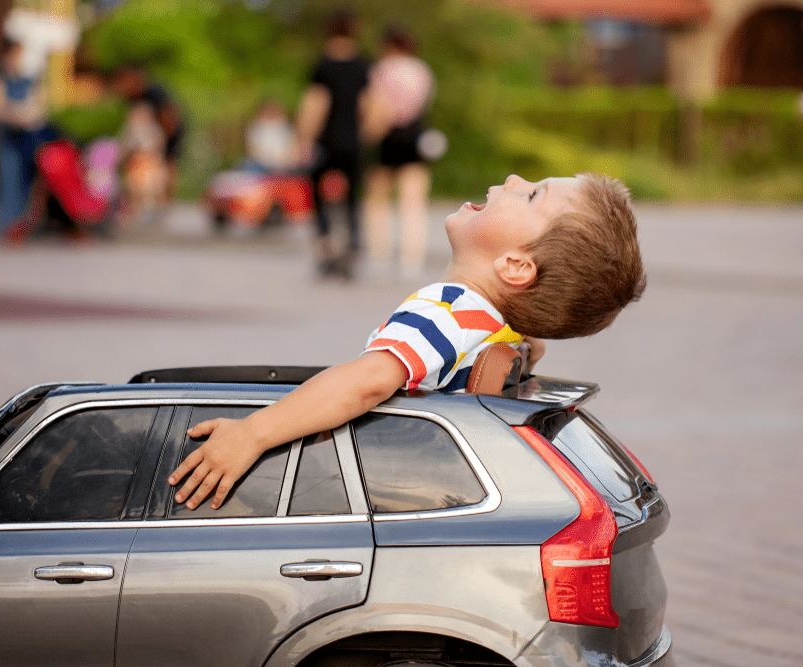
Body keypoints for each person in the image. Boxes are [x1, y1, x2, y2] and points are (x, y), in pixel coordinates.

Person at [166, 172, 647, 511]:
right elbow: (533, 346)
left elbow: (369, 382)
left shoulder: (447, 311)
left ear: (516, 267)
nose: (515, 180)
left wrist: (253, 434)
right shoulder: (497, 329)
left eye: (531, 197)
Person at [296, 9, 370, 279]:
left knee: (318, 194)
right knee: (352, 197)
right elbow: (369, 104)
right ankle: (351, 245)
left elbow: (315, 103)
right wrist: (365, 134)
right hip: (353, 140)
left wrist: (303, 138)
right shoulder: (363, 64)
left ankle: (326, 247)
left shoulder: (323, 65)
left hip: (325, 140)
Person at [362, 26, 436, 281]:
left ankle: (379, 255)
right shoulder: (421, 70)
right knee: (413, 202)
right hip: (415, 135)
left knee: (377, 200)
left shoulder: (382, 69)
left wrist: (368, 137)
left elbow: (377, 106)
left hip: (388, 136)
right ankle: (412, 258)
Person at [0, 38, 48, 236]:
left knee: (27, 183)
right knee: (9, 181)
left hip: (29, 139)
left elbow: (40, 106)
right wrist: (18, 114)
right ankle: (7, 228)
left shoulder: (29, 79)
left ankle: (23, 228)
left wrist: (30, 113)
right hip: (9, 137)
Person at [111, 63, 185, 204]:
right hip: (149, 138)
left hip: (164, 134)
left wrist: (160, 141)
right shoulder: (133, 98)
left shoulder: (154, 92)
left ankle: (165, 202)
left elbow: (169, 116)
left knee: (167, 165)